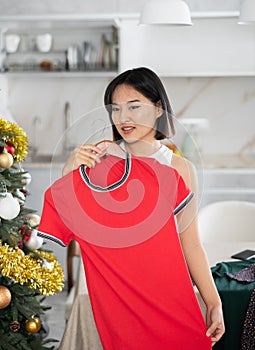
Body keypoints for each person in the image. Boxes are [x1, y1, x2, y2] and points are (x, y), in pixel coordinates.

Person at [40, 67, 224, 349]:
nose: (123, 118)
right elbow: (71, 219)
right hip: (116, 302)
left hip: (169, 297)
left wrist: (214, 302)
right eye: (115, 109)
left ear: (159, 108)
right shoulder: (100, 161)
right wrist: (69, 170)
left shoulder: (179, 169)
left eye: (134, 106)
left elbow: (192, 245)